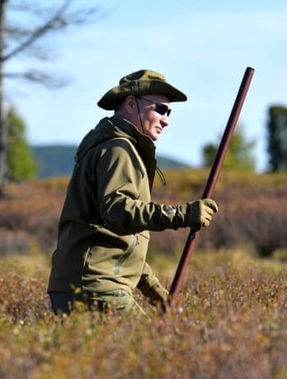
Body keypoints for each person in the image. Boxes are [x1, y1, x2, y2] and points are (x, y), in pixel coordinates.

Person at [47, 69, 219, 315]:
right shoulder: (119, 150)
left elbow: (119, 242)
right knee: (152, 352)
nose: (166, 119)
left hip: (81, 284)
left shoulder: (113, 147)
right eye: (160, 109)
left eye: (169, 112)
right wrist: (183, 214)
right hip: (97, 287)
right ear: (130, 103)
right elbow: (118, 212)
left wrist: (154, 291)